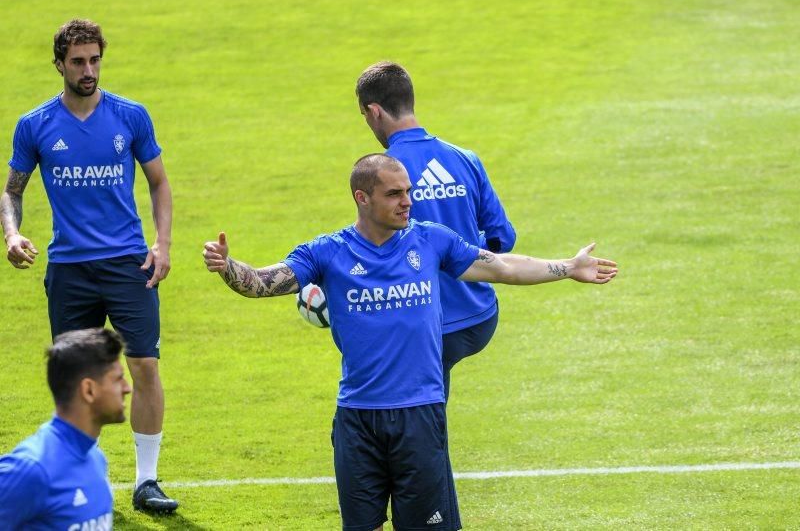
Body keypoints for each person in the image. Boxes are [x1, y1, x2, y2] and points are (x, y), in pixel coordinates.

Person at [203, 154, 617, 530]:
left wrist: (568, 267)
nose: (407, 202)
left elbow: (504, 266)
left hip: (419, 415)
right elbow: (262, 283)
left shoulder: (431, 240)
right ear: (362, 197)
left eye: (409, 192)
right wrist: (228, 267)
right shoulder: (328, 252)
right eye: (395, 194)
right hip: (358, 420)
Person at [0, 19, 178, 512]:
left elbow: (159, 182)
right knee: (79, 376)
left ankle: (147, 481)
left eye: (95, 59)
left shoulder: (130, 116)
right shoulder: (35, 125)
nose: (88, 70)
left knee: (143, 363)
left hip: (128, 262)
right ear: (59, 64)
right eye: (78, 61)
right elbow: (12, 191)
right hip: (70, 269)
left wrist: (162, 245)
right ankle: (84, 475)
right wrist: (12, 235)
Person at [356, 61, 517, 400]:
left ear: (374, 111)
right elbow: (503, 238)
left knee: (419, 424)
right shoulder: (464, 158)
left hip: (424, 324)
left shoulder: (383, 176)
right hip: (478, 316)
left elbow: (376, 248)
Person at [0, 328, 131, 529]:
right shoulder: (32, 469)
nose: (127, 388)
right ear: (89, 390)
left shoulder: (95, 459)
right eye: (117, 379)